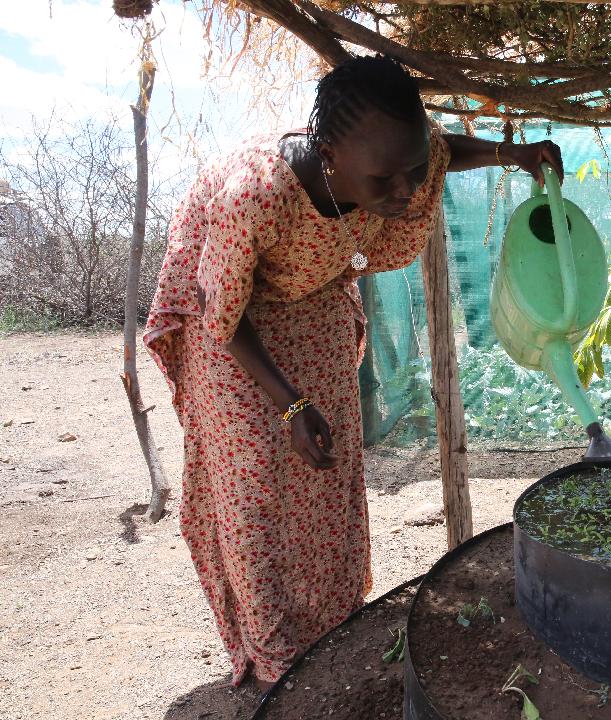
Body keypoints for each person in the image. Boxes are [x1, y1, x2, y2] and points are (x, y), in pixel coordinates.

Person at [144, 54, 564, 691]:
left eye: (413, 169)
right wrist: (288, 405)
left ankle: (332, 624)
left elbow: (444, 149)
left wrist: (518, 155)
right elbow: (220, 316)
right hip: (227, 321)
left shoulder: (396, 161)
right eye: (386, 178)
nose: (406, 190)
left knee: (327, 469)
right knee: (254, 484)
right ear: (331, 156)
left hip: (309, 299)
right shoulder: (254, 195)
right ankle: (276, 657)